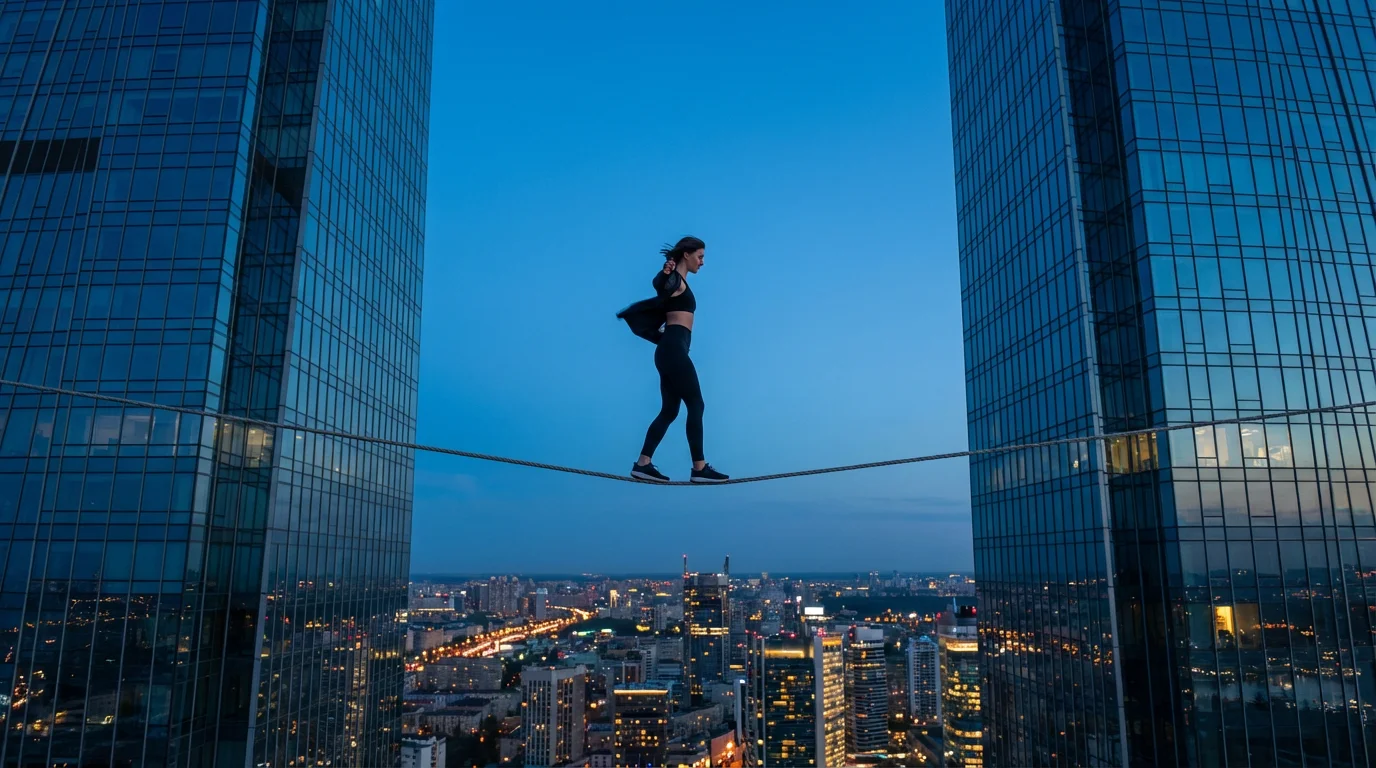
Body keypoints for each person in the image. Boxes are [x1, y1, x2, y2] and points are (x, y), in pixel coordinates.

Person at [616, 236, 729, 483]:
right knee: (696, 405)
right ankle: (699, 468)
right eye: (700, 256)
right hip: (673, 351)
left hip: (670, 351)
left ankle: (643, 464)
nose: (702, 262)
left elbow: (666, 286)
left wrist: (667, 276)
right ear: (686, 255)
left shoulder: (681, 282)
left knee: (669, 411)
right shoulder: (676, 281)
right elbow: (663, 284)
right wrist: (664, 273)